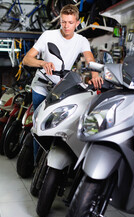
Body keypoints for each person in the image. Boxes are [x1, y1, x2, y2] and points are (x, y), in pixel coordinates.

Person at [23, 4, 103, 160]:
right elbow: (27, 59)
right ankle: (36, 162)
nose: (67, 26)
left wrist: (95, 74)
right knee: (39, 127)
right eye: (64, 22)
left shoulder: (81, 40)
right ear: (60, 20)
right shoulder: (48, 35)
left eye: (70, 22)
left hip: (61, 88)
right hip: (42, 86)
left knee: (60, 125)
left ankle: (55, 165)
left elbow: (89, 58)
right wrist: (42, 63)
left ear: (77, 23)